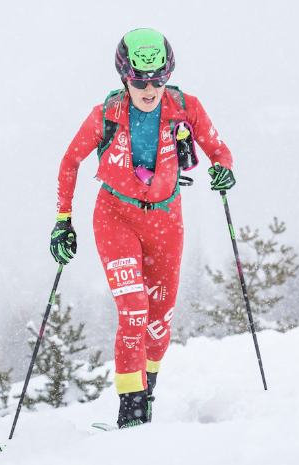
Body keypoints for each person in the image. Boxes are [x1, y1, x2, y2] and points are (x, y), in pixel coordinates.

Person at [50, 28, 236, 428]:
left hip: (167, 221)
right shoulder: (107, 115)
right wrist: (63, 220)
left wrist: (224, 171)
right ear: (125, 78)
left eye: (157, 80)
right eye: (139, 80)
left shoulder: (186, 107)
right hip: (116, 216)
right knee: (134, 311)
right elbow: (70, 161)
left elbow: (219, 151)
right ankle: (131, 411)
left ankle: (145, 392)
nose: (149, 89)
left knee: (159, 320)